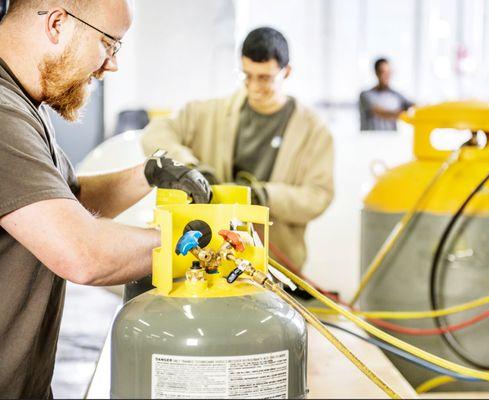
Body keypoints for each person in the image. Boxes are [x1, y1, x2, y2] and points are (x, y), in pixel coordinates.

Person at [0, 1, 211, 397]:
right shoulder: (2, 113)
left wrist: (151, 173)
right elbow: (83, 253)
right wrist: (205, 237)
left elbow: (59, 204)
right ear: (58, 24)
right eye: (108, 43)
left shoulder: (24, 102)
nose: (111, 64)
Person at [142, 27, 334, 270]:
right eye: (246, 76)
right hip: (210, 256)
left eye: (264, 78)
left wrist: (264, 196)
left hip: (275, 265)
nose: (253, 87)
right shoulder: (210, 113)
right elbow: (155, 134)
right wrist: (191, 170)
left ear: (287, 72)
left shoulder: (314, 130)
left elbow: (318, 196)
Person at [359, 57, 414, 131]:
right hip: (370, 140)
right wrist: (404, 114)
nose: (387, 76)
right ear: (376, 72)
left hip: (391, 140)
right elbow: (382, 112)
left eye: (389, 73)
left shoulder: (397, 95)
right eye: (383, 72)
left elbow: (414, 106)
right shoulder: (366, 95)